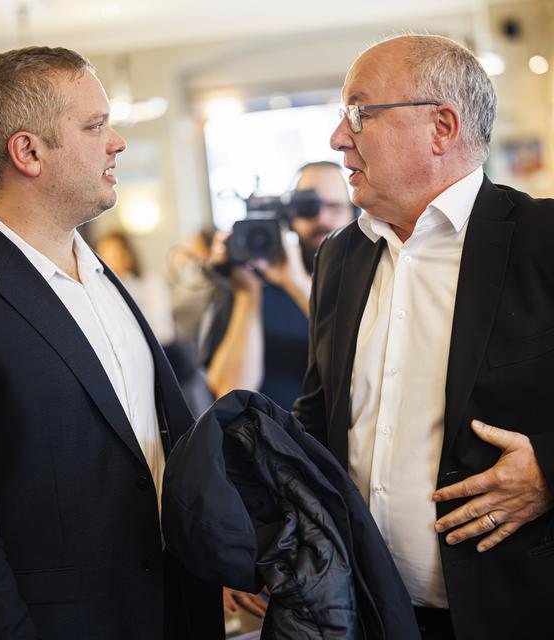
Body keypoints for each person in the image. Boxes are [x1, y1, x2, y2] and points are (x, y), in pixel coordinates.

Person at [0, 46, 222, 640]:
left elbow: (151, 450)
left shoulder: (104, 275)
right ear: (28, 152)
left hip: (178, 610)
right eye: (95, 125)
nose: (118, 142)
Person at [293, 34, 554, 640]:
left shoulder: (542, 241)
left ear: (441, 125)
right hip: (366, 611)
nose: (337, 138)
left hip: (518, 610)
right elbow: (318, 415)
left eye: (359, 112)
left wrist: (549, 469)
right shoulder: (339, 256)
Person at [203, 162, 355, 411]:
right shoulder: (255, 284)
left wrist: (295, 283)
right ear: (289, 216)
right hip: (275, 442)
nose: (322, 218)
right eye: (308, 208)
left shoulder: (368, 279)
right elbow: (230, 394)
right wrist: (248, 292)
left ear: (354, 213)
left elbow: (359, 349)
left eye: (335, 206)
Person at [96, 231, 175, 344]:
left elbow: (163, 328)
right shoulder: (101, 289)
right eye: (106, 254)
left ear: (129, 254)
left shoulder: (151, 282)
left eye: (117, 253)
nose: (113, 260)